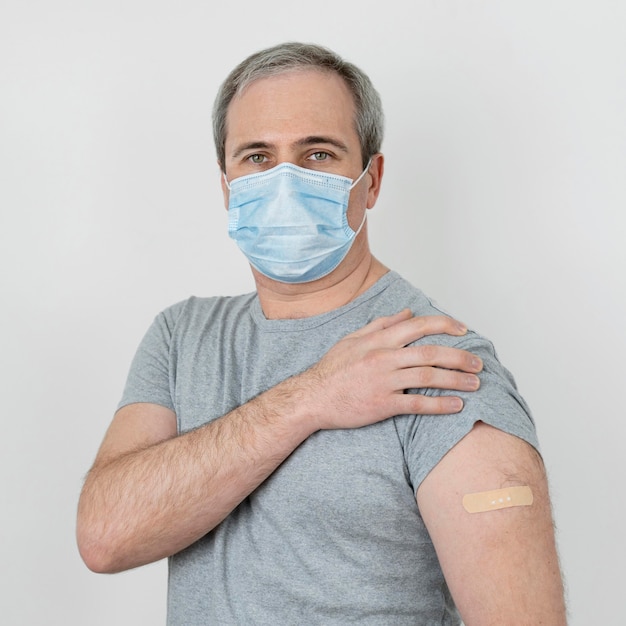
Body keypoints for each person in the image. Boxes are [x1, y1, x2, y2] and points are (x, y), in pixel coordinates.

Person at [77, 42, 566, 624]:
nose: (284, 181)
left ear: (372, 180)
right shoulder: (182, 337)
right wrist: (313, 396)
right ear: (227, 184)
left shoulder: (436, 364)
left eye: (317, 154)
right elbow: (105, 536)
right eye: (257, 157)